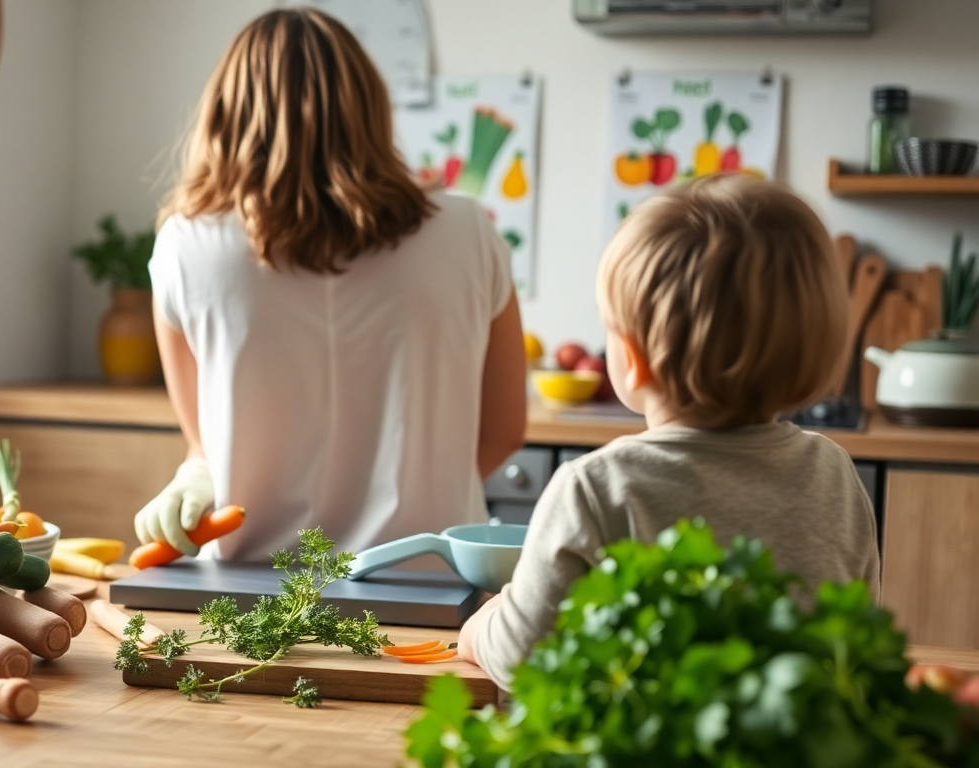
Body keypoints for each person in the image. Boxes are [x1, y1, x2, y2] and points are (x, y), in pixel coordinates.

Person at [132, 8, 527, 561]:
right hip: (430, 578)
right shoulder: (467, 231)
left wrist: (196, 471)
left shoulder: (184, 243)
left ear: (226, 112)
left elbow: (204, 442)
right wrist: (420, 494)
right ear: (370, 107)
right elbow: (505, 431)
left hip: (250, 599)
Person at [460, 175, 881, 691]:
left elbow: (524, 661)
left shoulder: (595, 488)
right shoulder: (834, 473)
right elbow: (858, 636)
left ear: (632, 359)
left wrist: (480, 629)